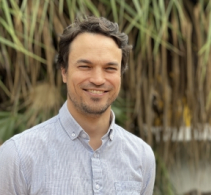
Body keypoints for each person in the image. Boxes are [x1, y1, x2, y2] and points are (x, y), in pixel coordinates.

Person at [0, 16, 155, 194]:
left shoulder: (142, 156)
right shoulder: (18, 156)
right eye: (85, 66)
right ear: (64, 72)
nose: (98, 80)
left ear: (121, 74)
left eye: (110, 68)